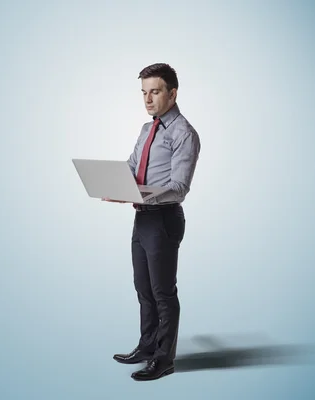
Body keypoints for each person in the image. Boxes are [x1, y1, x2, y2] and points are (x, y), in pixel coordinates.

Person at [103, 63, 201, 381]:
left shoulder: (183, 133)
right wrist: (113, 183)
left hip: (163, 219)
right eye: (144, 93)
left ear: (172, 93)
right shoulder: (148, 129)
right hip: (142, 219)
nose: (147, 99)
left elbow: (179, 187)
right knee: (142, 288)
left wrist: (139, 193)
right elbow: (133, 165)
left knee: (163, 292)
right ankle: (147, 346)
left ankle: (164, 359)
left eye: (155, 92)